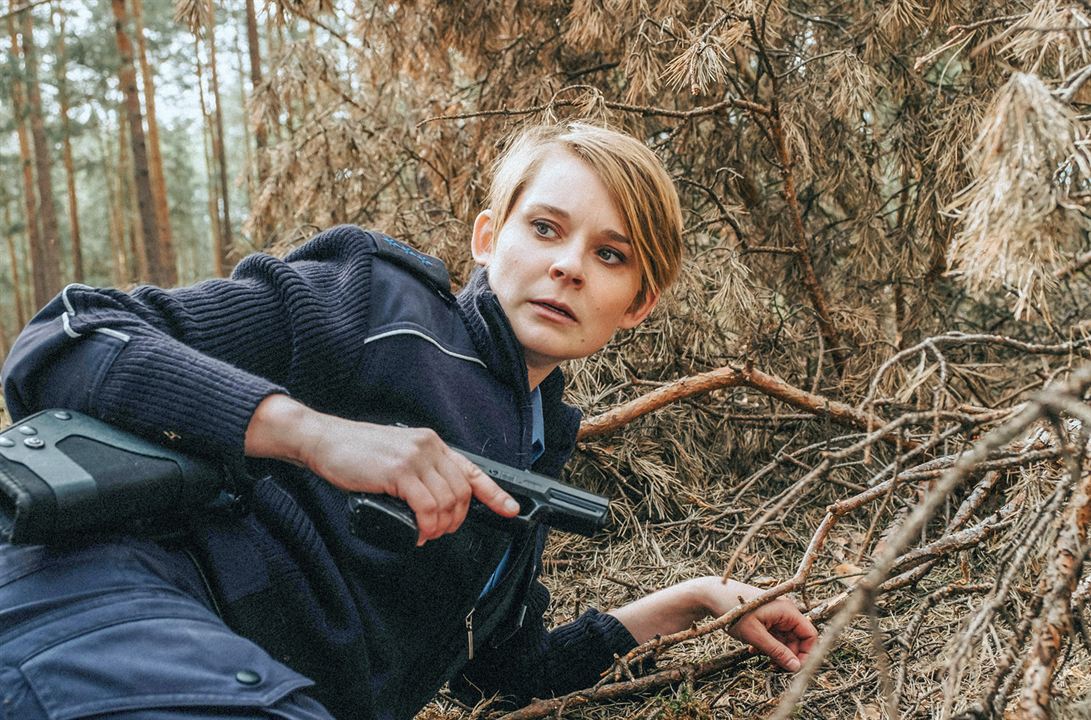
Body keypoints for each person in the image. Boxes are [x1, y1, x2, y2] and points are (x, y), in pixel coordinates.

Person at [0, 123, 816, 720]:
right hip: (103, 612)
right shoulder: (376, 307)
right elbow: (67, 339)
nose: (567, 265)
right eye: (544, 229)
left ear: (637, 302)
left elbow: (497, 673)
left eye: (610, 254)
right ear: (488, 240)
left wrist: (693, 602)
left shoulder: (538, 445)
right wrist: (316, 434)